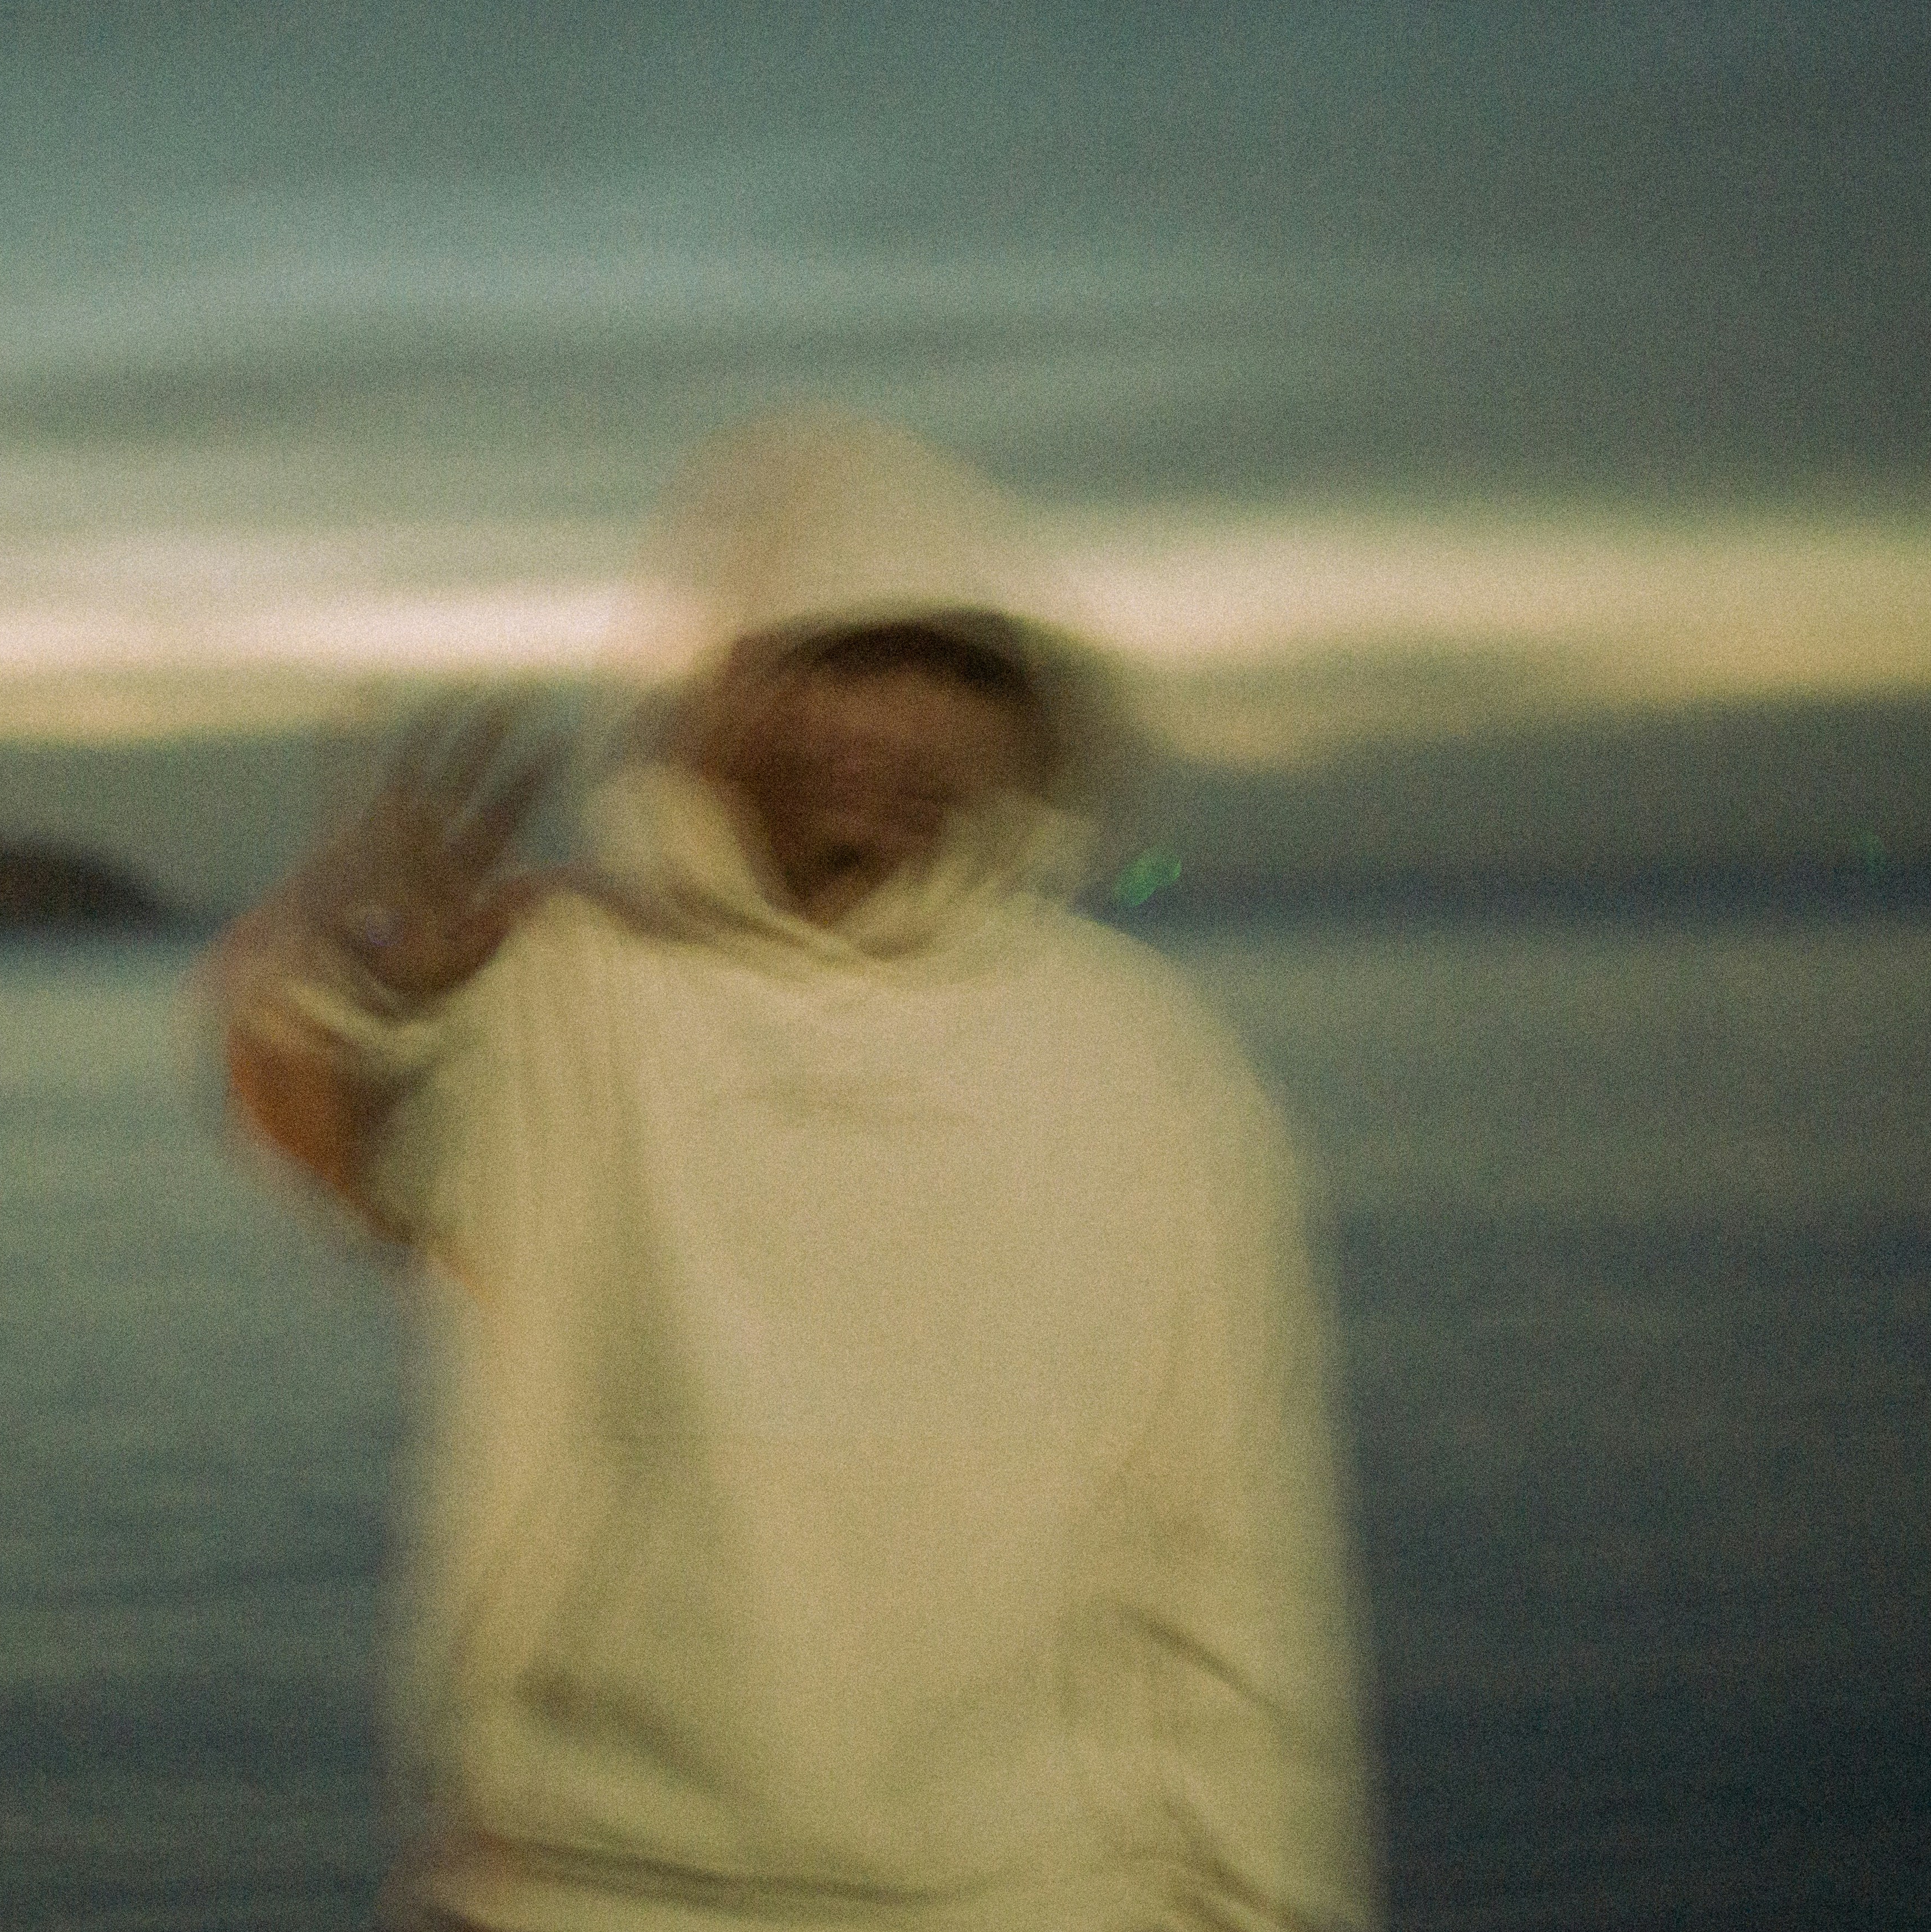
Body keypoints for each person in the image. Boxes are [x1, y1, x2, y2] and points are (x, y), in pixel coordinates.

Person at [206, 417, 1377, 1931]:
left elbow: (1236, 1567)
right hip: (574, 1889)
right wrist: (362, 973)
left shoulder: (1143, 1064)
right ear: (723, 694)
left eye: (942, 673)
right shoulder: (563, 984)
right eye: (830, 661)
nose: (878, 722)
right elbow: (322, 1119)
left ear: (1021, 722)